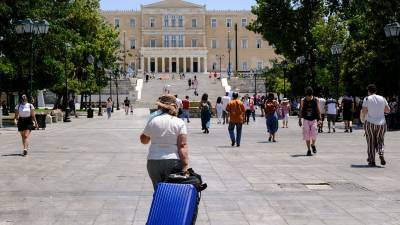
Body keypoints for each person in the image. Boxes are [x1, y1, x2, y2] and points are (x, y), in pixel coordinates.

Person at [140, 95, 189, 190]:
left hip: (153, 161)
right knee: (170, 193)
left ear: (160, 107)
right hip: (173, 161)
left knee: (158, 192)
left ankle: (157, 204)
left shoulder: (153, 121)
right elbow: (182, 146)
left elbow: (144, 140)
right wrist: (185, 165)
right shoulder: (179, 122)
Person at [361, 84, 390, 167]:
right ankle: (381, 152)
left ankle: (372, 160)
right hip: (382, 123)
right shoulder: (382, 98)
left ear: (368, 91)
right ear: (376, 91)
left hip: (370, 122)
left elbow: (364, 111)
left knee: (370, 141)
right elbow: (388, 110)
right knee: (380, 139)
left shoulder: (367, 98)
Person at [298, 87, 321, 156]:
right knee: (306, 135)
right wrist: (299, 119)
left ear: (311, 95)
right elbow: (301, 110)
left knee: (314, 133)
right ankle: (308, 150)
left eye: (309, 96)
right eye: (307, 96)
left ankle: (313, 145)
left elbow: (318, 110)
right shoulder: (303, 100)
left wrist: (320, 119)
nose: (308, 98)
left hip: (314, 119)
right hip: (306, 119)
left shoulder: (316, 100)